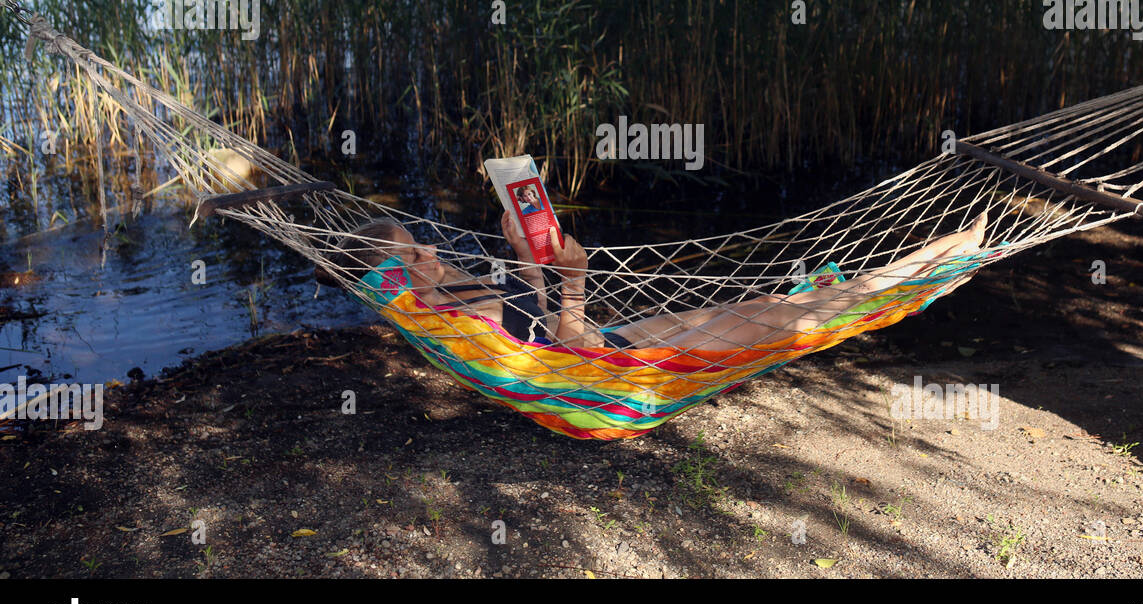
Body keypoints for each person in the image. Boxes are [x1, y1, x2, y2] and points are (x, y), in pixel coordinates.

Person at [336, 210, 989, 353]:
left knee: (764, 302)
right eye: (411, 250)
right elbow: (566, 353)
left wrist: (525, 254)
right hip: (612, 365)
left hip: (618, 340)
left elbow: (526, 320)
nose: (427, 248)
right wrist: (575, 276)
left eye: (415, 237)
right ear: (401, 275)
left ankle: (929, 261)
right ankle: (930, 268)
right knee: (791, 320)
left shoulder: (453, 299)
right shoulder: (450, 313)